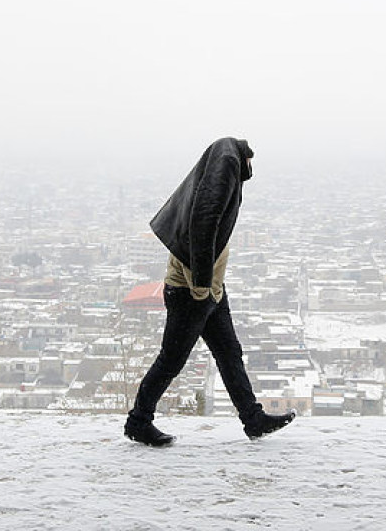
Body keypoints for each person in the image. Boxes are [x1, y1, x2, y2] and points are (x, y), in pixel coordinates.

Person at [124, 137, 296, 446]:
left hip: (209, 287)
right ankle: (138, 421)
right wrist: (202, 286)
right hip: (193, 288)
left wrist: (209, 287)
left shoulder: (222, 157)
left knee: (229, 352)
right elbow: (204, 220)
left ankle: (253, 419)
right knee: (172, 359)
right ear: (246, 159)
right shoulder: (227, 163)